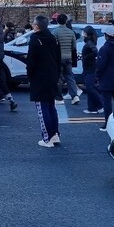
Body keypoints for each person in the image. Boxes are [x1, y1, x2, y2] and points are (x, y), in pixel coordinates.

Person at [28, 16, 62, 148]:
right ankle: (55, 134)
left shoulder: (35, 39)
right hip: (52, 75)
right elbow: (58, 59)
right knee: (51, 106)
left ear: (37, 26)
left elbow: (31, 61)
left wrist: (30, 76)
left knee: (42, 108)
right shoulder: (53, 38)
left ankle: (47, 138)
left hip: (39, 77)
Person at [52, 14, 80, 104]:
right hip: (68, 57)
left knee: (59, 77)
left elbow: (52, 45)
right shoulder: (70, 32)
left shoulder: (55, 32)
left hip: (58, 58)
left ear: (57, 21)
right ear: (66, 21)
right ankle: (74, 96)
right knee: (69, 77)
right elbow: (74, 46)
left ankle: (59, 98)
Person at [80, 26, 102, 115]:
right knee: (90, 87)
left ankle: (100, 105)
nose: (82, 34)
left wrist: (86, 57)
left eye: (84, 32)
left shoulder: (89, 43)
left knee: (90, 87)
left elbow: (95, 52)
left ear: (87, 34)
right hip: (88, 67)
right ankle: (92, 108)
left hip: (90, 68)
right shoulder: (89, 42)